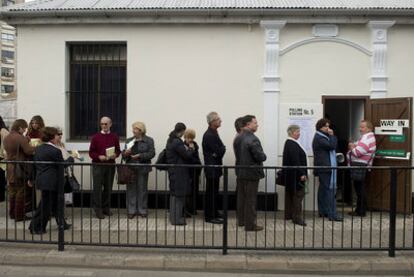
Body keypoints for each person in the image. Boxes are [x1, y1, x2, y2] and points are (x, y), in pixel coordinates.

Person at [29, 127, 74, 235]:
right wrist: (71, 158)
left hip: (42, 180)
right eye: (56, 135)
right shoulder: (55, 150)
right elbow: (62, 165)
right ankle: (36, 226)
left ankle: (61, 223)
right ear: (52, 137)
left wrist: (31, 178)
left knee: (55, 204)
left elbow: (34, 166)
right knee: (45, 207)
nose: (57, 137)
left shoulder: (38, 149)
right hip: (52, 181)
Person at [234, 115, 267, 231]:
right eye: (255, 123)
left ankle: (241, 221)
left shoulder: (238, 137)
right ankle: (250, 225)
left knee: (241, 197)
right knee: (251, 199)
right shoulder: (252, 138)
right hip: (252, 173)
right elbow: (260, 156)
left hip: (240, 172)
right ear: (248, 124)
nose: (257, 125)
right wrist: (264, 156)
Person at [89, 116, 121, 219]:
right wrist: (99, 156)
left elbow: (118, 150)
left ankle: (106, 207)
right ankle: (98, 209)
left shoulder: (114, 137)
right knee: (97, 188)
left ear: (110, 124)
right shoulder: (95, 137)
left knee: (108, 187)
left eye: (106, 124)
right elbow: (91, 152)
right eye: (102, 124)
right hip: (98, 165)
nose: (104, 126)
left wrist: (115, 155)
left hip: (110, 165)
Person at [3, 119, 35, 221]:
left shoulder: (7, 137)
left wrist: (25, 140)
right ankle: (19, 215)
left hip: (10, 167)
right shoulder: (20, 137)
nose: (25, 130)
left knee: (12, 191)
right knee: (21, 191)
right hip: (19, 168)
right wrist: (37, 147)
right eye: (24, 128)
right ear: (19, 127)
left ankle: (12, 214)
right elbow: (28, 151)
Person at [122, 121, 155, 219]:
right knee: (131, 189)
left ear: (140, 130)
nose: (133, 131)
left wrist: (140, 156)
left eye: (135, 129)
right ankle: (131, 210)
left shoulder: (149, 140)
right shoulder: (129, 140)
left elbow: (152, 153)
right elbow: (123, 156)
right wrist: (126, 153)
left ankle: (142, 210)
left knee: (142, 189)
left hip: (143, 168)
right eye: (133, 129)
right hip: (131, 168)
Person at [312, 118, 343, 222]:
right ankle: (332, 214)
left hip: (324, 167)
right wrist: (333, 136)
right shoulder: (320, 138)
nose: (328, 128)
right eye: (325, 126)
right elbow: (332, 146)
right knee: (330, 191)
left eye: (329, 126)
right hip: (325, 168)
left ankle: (323, 211)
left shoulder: (322, 137)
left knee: (323, 190)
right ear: (320, 127)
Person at [166, 122, 194, 226]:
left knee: (174, 195)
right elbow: (186, 155)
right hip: (179, 172)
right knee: (179, 196)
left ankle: (173, 218)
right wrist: (191, 148)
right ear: (182, 131)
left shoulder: (170, 139)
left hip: (173, 170)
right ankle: (177, 219)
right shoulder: (177, 142)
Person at [348, 120, 376, 217]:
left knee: (360, 189)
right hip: (361, 166)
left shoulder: (367, 138)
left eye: (363, 127)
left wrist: (352, 147)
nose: (360, 129)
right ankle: (359, 210)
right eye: (360, 127)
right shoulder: (367, 137)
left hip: (360, 166)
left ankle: (361, 211)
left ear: (369, 128)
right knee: (360, 188)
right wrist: (355, 145)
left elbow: (358, 152)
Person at [202, 112, 226, 224]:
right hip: (212, 169)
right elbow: (219, 151)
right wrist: (219, 151)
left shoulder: (214, 132)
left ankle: (214, 212)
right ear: (212, 122)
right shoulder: (209, 135)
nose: (220, 120)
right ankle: (210, 216)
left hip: (214, 168)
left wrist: (220, 150)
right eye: (218, 119)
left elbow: (221, 149)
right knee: (211, 193)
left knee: (214, 192)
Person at [282, 125, 308, 226]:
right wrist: (302, 173)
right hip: (296, 175)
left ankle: (289, 215)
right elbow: (295, 160)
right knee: (298, 195)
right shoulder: (292, 143)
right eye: (297, 131)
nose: (299, 133)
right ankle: (297, 217)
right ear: (292, 133)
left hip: (291, 174)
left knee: (290, 195)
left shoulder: (289, 143)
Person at [183, 128, 202, 216]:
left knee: (194, 190)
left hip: (194, 170)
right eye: (188, 137)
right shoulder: (183, 146)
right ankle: (187, 209)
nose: (190, 140)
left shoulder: (195, 145)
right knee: (188, 191)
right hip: (187, 171)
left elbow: (196, 158)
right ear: (185, 137)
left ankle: (193, 208)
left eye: (192, 138)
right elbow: (187, 158)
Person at [0, 116, 9, 202]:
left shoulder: (3, 131)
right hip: (2, 157)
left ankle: (1, 197)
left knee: (1, 178)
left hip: (1, 158)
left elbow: (5, 146)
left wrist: (5, 155)